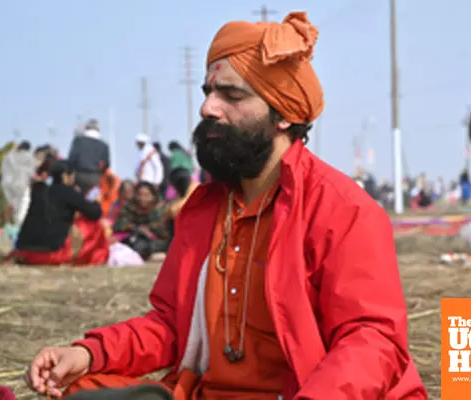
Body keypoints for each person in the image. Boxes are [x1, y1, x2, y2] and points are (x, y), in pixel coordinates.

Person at [26, 11, 426, 399]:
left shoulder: (342, 209)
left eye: (231, 95)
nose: (207, 108)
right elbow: (170, 325)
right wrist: (88, 353)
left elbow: (373, 340)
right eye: (209, 92)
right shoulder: (204, 209)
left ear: (283, 114)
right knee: (78, 390)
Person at [10, 159, 108, 266]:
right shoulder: (68, 192)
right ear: (66, 176)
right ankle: (94, 259)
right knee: (94, 225)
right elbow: (95, 213)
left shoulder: (39, 190)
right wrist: (96, 202)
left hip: (23, 252)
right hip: (50, 254)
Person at [68, 119, 111, 195]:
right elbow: (106, 164)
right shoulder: (104, 145)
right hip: (95, 178)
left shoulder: (78, 141)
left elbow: (71, 159)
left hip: (79, 176)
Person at [0, 141, 37, 228]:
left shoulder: (9, 155)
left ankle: (7, 226)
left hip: (7, 184)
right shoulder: (29, 157)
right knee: (22, 206)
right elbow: (31, 173)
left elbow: (3, 169)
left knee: (10, 205)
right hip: (22, 184)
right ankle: (19, 226)